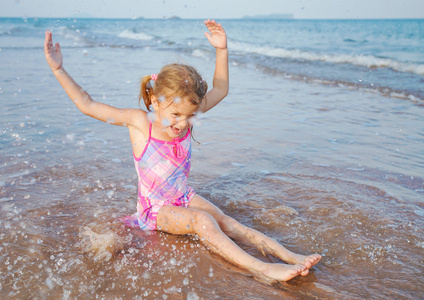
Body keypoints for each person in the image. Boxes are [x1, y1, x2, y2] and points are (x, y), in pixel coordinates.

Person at [44, 19, 321, 284]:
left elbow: (221, 88)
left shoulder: (188, 111)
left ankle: (288, 255)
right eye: (175, 114)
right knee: (204, 221)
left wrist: (221, 49)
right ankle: (263, 268)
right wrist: (58, 70)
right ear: (155, 100)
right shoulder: (141, 123)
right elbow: (88, 104)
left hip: (182, 196)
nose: (182, 124)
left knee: (226, 220)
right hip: (155, 210)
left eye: (189, 117)